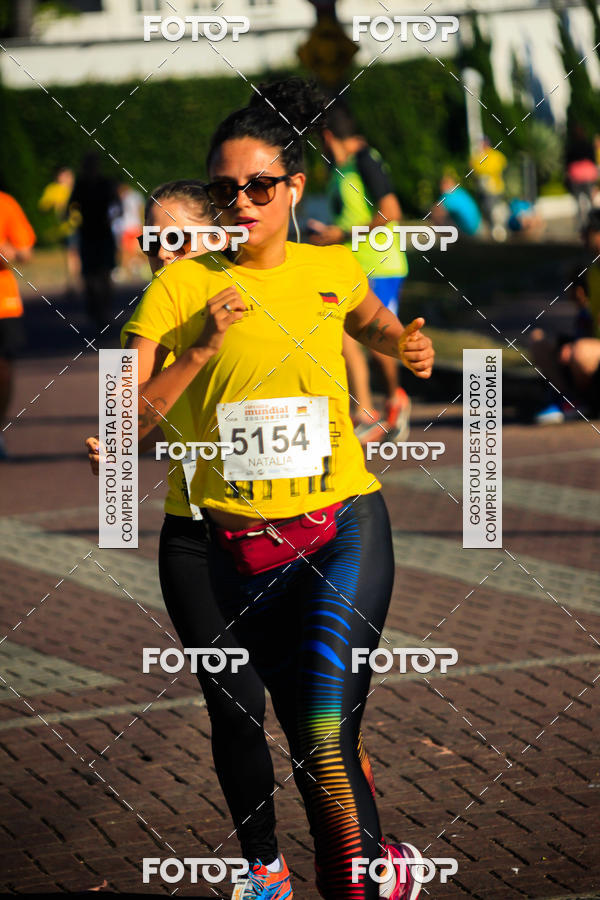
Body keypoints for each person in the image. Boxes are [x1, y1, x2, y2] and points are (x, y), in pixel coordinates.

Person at [117, 77, 434, 900]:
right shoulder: (179, 288)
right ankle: (365, 860)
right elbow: (126, 424)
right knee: (302, 737)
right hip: (238, 552)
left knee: (324, 734)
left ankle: (353, 884)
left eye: (260, 185)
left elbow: (367, 319)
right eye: (226, 190)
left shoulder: (330, 266)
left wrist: (406, 343)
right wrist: (200, 349)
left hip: (343, 527)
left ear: (294, 186)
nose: (243, 202)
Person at [307, 103, 411, 445]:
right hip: (353, 268)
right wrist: (327, 233)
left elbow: (391, 212)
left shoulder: (366, 160)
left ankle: (393, 401)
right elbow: (351, 216)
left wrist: (342, 234)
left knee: (379, 338)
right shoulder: (346, 168)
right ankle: (366, 412)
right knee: (347, 338)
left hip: (381, 266)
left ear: (328, 136)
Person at [0, 190, 35, 459]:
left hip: (4, 303)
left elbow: (24, 251)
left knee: (4, 370)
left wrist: (7, 252)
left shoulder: (5, 203)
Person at [69, 151, 120, 333]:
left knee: (104, 273)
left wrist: (110, 219)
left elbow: (118, 207)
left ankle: (103, 310)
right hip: (89, 234)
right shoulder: (81, 185)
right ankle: (96, 309)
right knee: (91, 275)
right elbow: (70, 206)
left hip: (102, 234)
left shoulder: (104, 184)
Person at [38, 166, 80, 289]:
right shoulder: (54, 189)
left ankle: (76, 279)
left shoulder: (76, 188)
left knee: (76, 252)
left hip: (81, 224)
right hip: (67, 226)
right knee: (72, 252)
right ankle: (73, 280)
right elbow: (43, 206)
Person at [470, 137, 508, 241]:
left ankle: (499, 231)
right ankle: (494, 232)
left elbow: (497, 167)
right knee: (487, 212)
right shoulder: (479, 157)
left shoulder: (494, 155)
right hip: (484, 190)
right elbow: (475, 169)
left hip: (494, 189)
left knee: (494, 211)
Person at [565, 125, 598, 229]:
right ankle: (595, 223)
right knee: (591, 201)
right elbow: (593, 160)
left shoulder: (570, 146)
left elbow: (567, 162)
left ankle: (580, 226)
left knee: (578, 202)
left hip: (576, 176)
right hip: (588, 175)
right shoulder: (588, 145)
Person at [432, 171, 481, 236]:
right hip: (479, 226)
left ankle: (450, 243)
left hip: (470, 231)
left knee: (439, 217)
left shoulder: (449, 195)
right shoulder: (461, 192)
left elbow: (436, 211)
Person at [112, 183, 145, 280]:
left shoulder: (129, 196)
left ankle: (129, 270)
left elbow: (140, 210)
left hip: (129, 227)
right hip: (131, 227)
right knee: (130, 250)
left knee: (129, 250)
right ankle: (131, 270)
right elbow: (141, 210)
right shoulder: (136, 195)